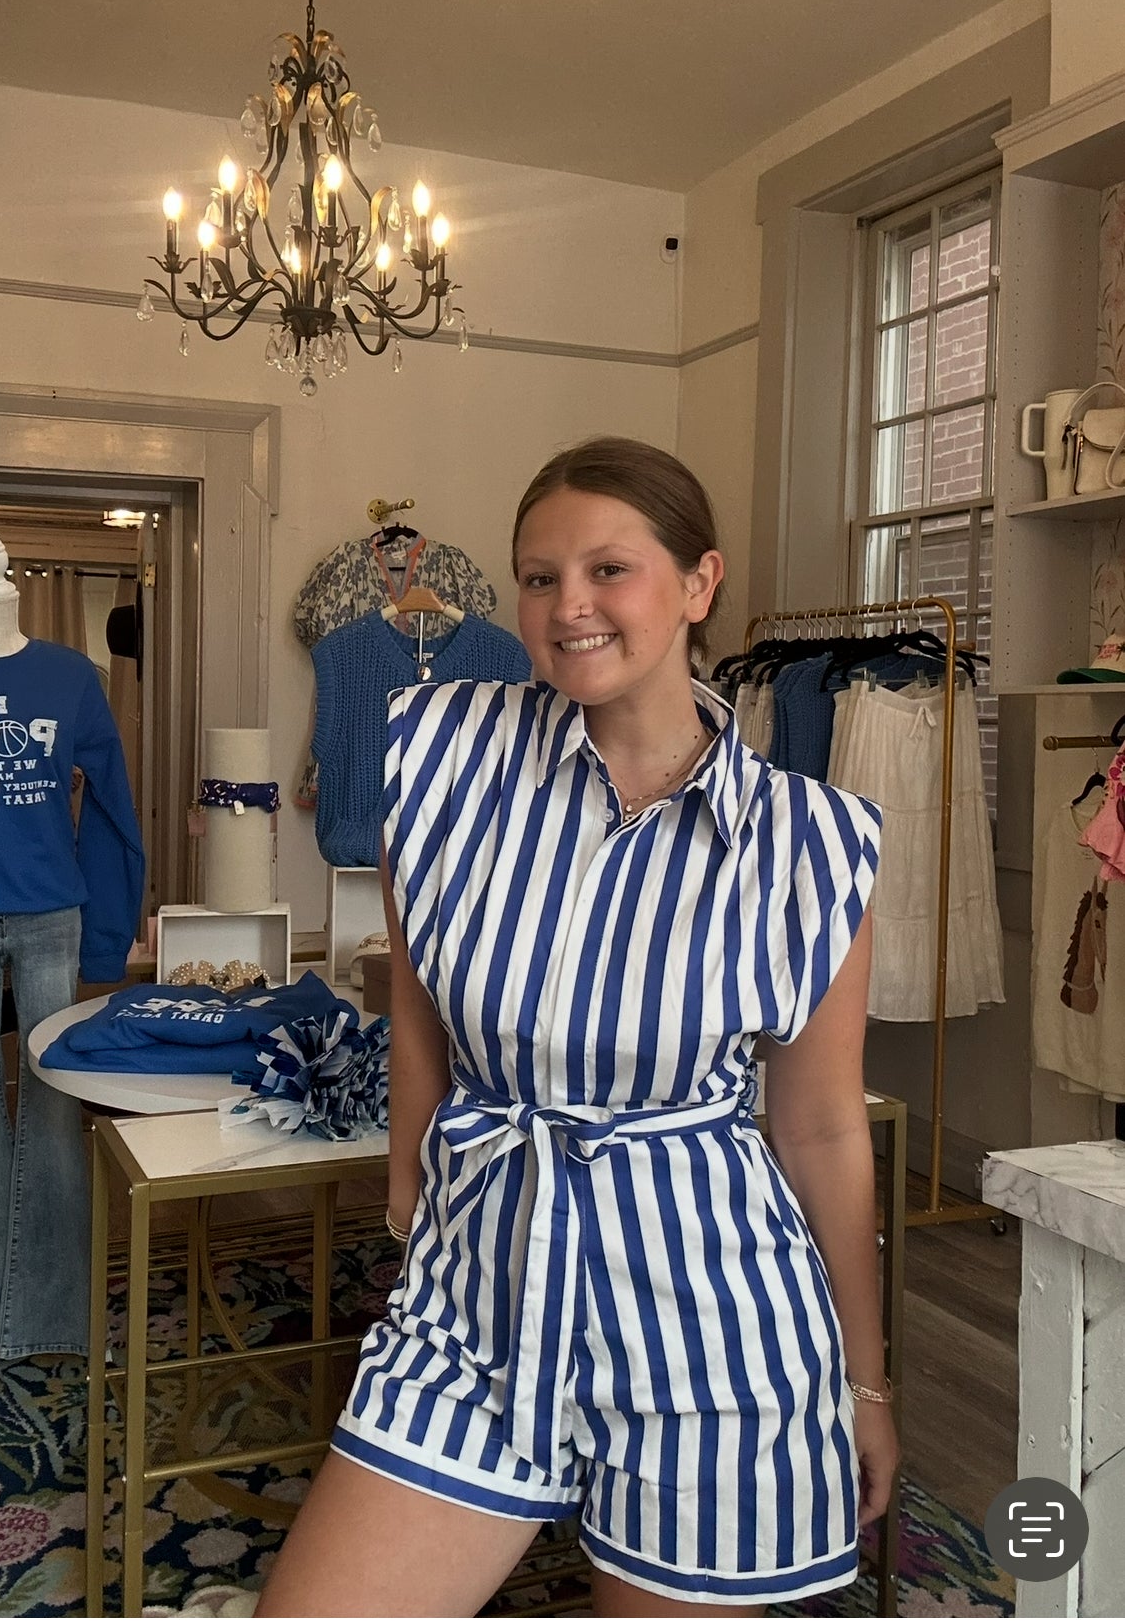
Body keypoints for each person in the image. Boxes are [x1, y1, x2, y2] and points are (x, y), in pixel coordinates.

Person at [258, 437, 898, 1617]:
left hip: (711, 1328)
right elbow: (416, 989)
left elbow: (818, 1129)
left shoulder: (812, 842)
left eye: (611, 569)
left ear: (700, 583)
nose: (570, 607)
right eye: (540, 576)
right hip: (475, 1298)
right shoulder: (440, 749)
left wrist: (865, 1382)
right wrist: (408, 1174)